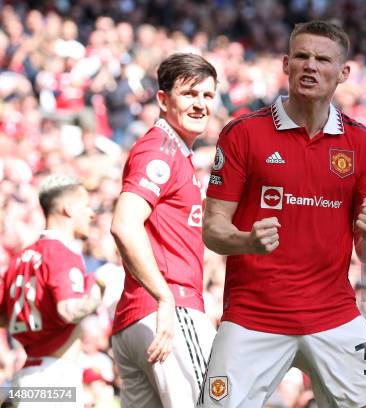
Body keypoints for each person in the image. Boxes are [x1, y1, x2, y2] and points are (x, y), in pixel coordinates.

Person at [202, 21, 366, 407]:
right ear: (286, 64)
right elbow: (212, 230)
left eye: (323, 59)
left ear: (343, 73)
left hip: (333, 313)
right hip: (253, 314)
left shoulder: (365, 144)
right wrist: (247, 241)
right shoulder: (243, 133)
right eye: (303, 57)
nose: (311, 66)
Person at [110, 52, 218, 408]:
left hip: (137, 319)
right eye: (190, 94)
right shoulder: (161, 150)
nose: (201, 104)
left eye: (207, 95)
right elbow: (124, 225)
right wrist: (165, 297)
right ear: (162, 99)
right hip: (171, 313)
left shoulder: (176, 152)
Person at [0, 174, 102, 407]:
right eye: (86, 206)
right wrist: (101, 286)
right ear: (67, 209)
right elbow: (69, 310)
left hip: (29, 374)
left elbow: (3, 317)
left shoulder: (19, 259)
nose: (91, 213)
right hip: (54, 377)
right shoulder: (62, 253)